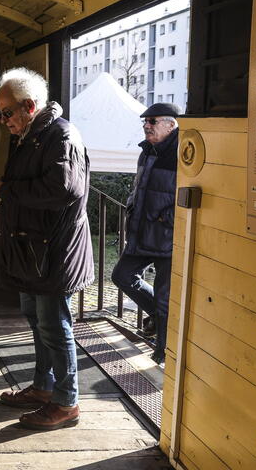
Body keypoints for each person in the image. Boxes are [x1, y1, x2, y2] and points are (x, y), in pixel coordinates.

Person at [0, 67, 93, 431]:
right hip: (33, 250)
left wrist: (6, 192)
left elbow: (62, 190)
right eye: (0, 113)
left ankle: (67, 402)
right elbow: (27, 183)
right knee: (37, 321)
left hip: (54, 251)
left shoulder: (60, 136)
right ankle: (44, 388)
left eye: (6, 112)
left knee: (55, 327)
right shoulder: (31, 134)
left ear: (29, 105)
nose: (2, 120)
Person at [111, 102, 180, 365]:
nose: (146, 126)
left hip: (168, 237)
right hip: (143, 231)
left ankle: (163, 352)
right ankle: (160, 319)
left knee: (164, 299)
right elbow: (140, 188)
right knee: (122, 276)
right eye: (145, 122)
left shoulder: (181, 152)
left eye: (152, 121)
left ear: (170, 124)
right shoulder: (147, 151)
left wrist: (168, 219)